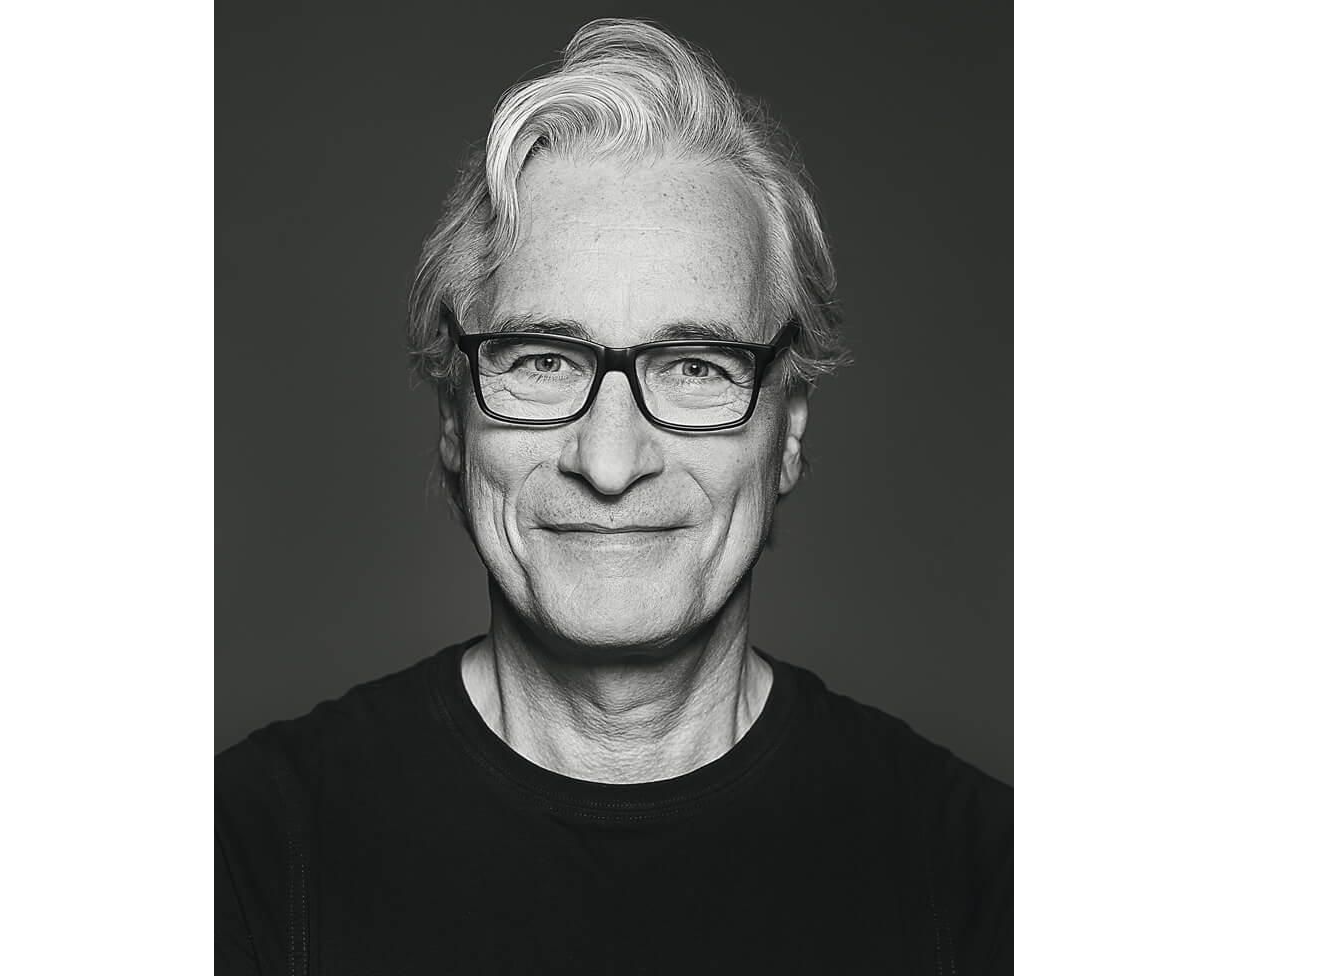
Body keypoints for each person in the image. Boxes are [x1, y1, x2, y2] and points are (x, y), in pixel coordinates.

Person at [217, 18, 1011, 974]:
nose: (608, 461)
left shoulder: (986, 887)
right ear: (453, 417)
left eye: (695, 366)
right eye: (542, 360)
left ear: (789, 430)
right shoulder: (243, 863)